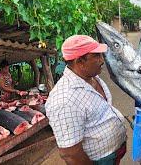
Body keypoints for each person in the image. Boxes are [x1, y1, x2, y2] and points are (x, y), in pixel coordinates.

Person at [45, 35, 127, 165]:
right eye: (96, 56)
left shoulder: (91, 77)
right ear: (80, 62)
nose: (102, 60)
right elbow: (70, 154)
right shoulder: (65, 100)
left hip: (114, 152)